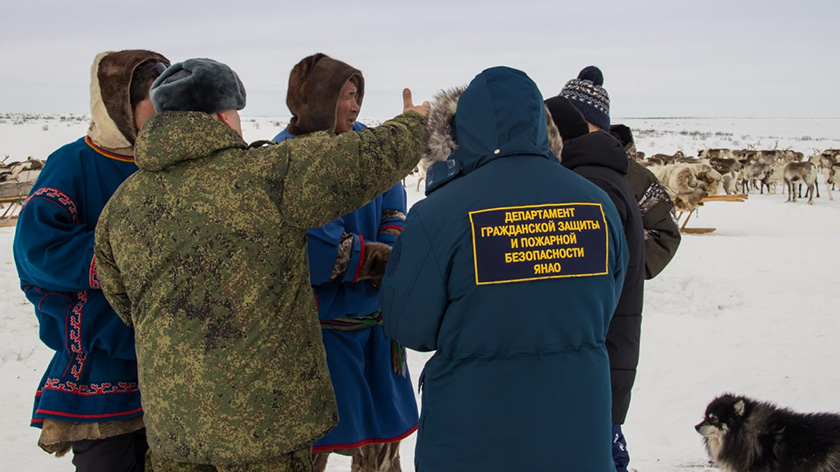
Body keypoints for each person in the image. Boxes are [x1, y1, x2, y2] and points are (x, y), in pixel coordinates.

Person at [93, 57, 428, 471]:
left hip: (174, 432)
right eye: (235, 112)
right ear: (220, 115)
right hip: (264, 430)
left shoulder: (121, 206)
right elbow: (365, 162)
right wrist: (414, 125)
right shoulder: (264, 177)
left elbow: (125, 303)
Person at [380, 66, 628, 472]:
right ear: (539, 122)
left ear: (460, 130)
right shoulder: (597, 205)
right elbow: (606, 301)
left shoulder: (438, 215)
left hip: (471, 441)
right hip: (578, 436)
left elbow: (409, 326)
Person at [13, 49, 169, 471]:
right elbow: (37, 250)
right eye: (156, 99)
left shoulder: (169, 169)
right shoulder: (74, 164)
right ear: (121, 105)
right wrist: (129, 260)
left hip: (172, 364)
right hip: (102, 365)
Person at [272, 53, 418, 472]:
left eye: (358, 96)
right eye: (346, 96)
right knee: (307, 449)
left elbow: (393, 200)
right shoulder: (286, 155)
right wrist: (380, 263)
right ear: (316, 99)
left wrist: (392, 241)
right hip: (317, 339)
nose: (355, 107)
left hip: (374, 331)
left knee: (380, 454)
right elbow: (316, 244)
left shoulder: (366, 144)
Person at [555, 65, 681, 472]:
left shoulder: (633, 174)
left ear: (594, 124)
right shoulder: (557, 165)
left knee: (597, 441)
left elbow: (665, 232)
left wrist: (621, 263)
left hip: (609, 331)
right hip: (583, 341)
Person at [547, 83, 645, 472]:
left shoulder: (589, 188)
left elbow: (574, 291)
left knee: (595, 454)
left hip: (592, 365)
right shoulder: (600, 177)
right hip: (602, 360)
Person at [610, 123, 681, 279]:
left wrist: (614, 266)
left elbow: (665, 238)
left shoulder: (636, 177)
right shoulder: (551, 168)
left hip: (615, 295)